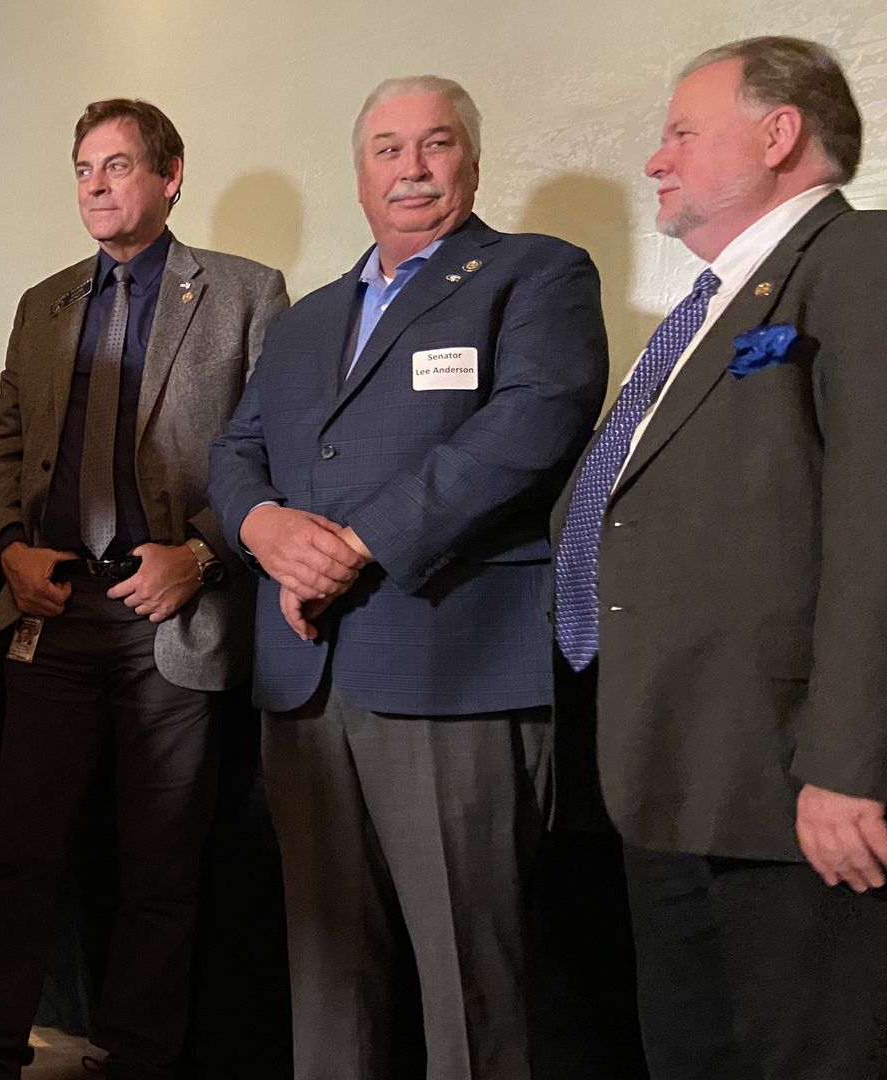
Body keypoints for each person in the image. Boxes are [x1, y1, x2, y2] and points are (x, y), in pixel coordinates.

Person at [208, 77, 607, 1080]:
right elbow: (236, 451)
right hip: (304, 686)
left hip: (450, 667)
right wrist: (262, 526)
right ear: (359, 176)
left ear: (471, 161)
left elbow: (529, 429)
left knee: (472, 981)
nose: (412, 166)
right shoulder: (305, 320)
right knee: (325, 973)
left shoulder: (536, 274)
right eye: (388, 149)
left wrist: (355, 542)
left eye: (434, 145)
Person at [550, 36, 887, 1079]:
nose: (656, 160)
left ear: (780, 133)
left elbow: (877, 515)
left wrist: (849, 766)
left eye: (682, 134)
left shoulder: (858, 260)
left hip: (790, 789)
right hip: (670, 773)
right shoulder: (706, 308)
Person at [0, 98, 287, 1080]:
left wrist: (200, 556)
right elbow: (8, 441)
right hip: (50, 612)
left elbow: (270, 454)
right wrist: (10, 545)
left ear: (169, 175)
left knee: (160, 875)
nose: (96, 186)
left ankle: (141, 1062)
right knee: (18, 863)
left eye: (116, 166)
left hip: (172, 620)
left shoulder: (243, 293)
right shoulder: (43, 301)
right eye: (83, 169)